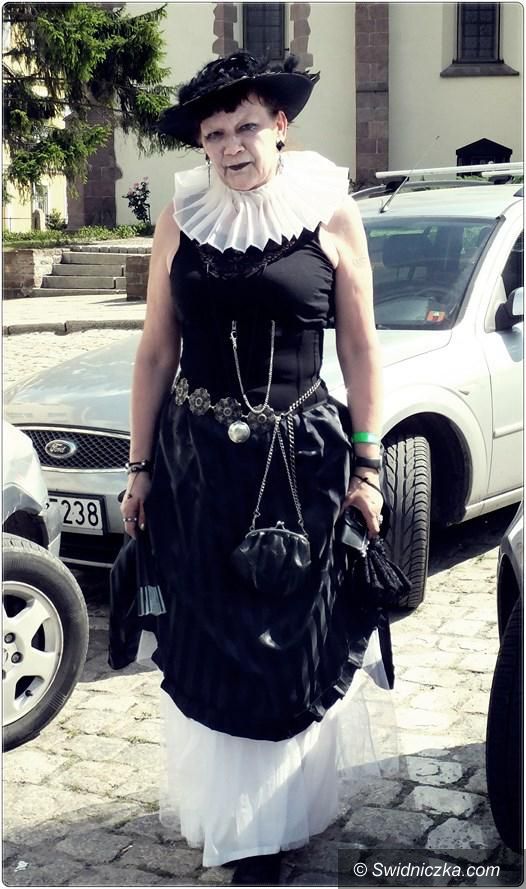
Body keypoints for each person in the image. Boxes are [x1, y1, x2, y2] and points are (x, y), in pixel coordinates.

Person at [112, 51, 393, 886]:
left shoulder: (330, 213)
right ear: (201, 145)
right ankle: (240, 826)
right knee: (211, 639)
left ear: (280, 126)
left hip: (301, 466)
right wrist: (139, 465)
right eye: (213, 135)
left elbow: (361, 348)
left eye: (244, 127)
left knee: (286, 646)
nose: (230, 147)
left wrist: (368, 466)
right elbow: (156, 350)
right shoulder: (181, 218)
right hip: (197, 468)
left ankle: (277, 818)